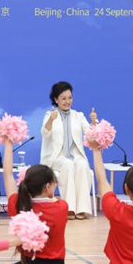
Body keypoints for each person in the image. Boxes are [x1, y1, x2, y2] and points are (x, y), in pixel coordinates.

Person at [40, 81, 97, 220]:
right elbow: (45, 133)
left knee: (83, 164)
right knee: (67, 164)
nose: (67, 101)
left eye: (70, 97)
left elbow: (90, 136)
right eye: (63, 98)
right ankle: (69, 208)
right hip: (57, 158)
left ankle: (82, 208)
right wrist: (51, 121)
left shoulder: (78, 115)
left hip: (75, 155)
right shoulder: (50, 114)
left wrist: (94, 122)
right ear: (56, 100)